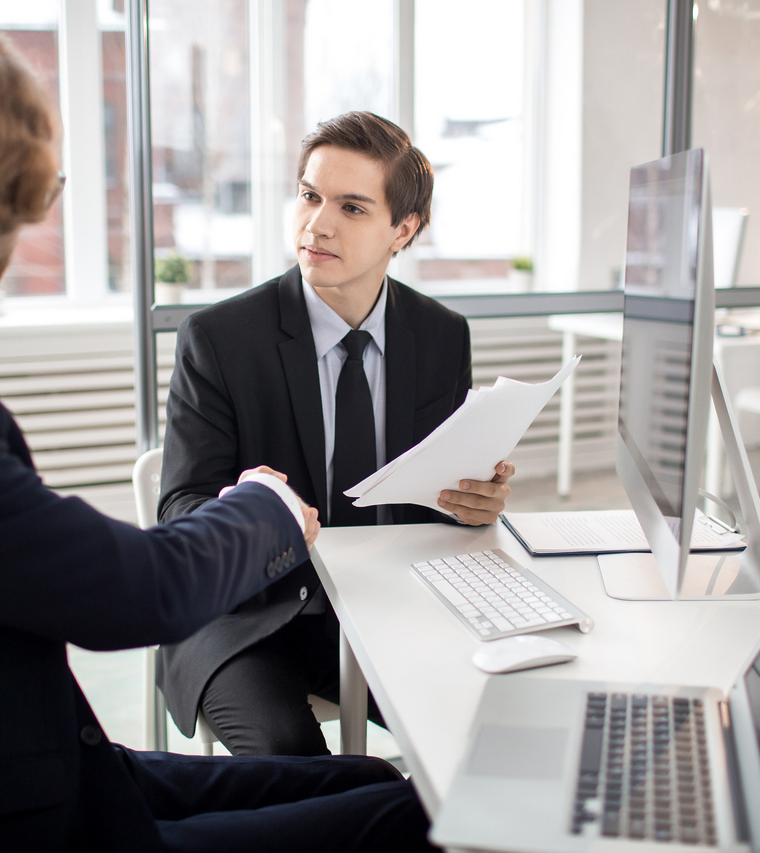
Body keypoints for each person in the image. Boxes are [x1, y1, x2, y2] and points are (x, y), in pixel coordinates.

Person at [0, 10, 436, 852]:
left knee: (373, 778)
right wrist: (267, 508)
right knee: (421, 816)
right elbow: (138, 591)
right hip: (8, 819)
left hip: (1, 761)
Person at [158, 111, 515, 757]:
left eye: (351, 206)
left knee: (489, 728)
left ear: (402, 229)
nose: (317, 223)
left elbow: (436, 499)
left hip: (393, 605)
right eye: (309, 195)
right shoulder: (218, 339)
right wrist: (246, 508)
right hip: (250, 614)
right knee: (288, 757)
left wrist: (475, 502)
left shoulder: (440, 336)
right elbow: (179, 509)